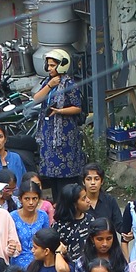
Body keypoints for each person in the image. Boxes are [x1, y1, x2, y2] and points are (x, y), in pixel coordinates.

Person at [33, 48, 84, 191]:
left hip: (65, 134)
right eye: (48, 65)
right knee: (51, 172)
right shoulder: (48, 82)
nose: (49, 69)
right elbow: (36, 99)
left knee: (66, 174)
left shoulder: (70, 85)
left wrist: (60, 111)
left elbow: (78, 107)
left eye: (52, 65)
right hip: (48, 133)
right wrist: (50, 86)